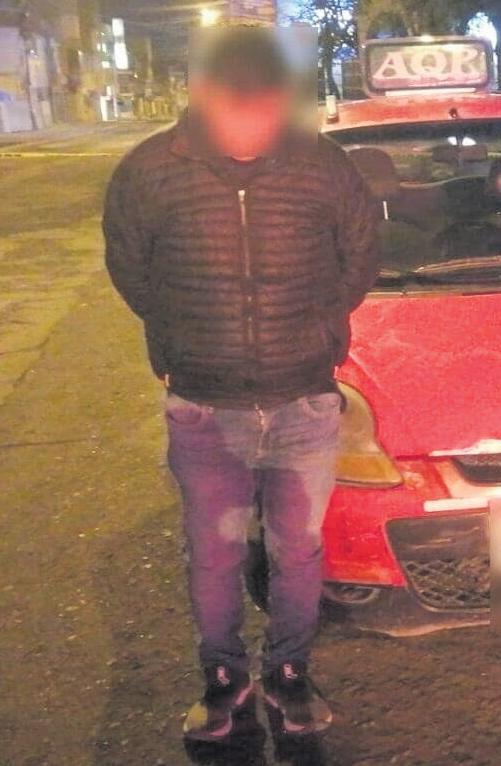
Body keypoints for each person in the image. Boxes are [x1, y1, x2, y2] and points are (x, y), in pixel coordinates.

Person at [102, 25, 379, 740]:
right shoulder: (149, 171)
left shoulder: (324, 166)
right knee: (214, 554)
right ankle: (223, 678)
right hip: (204, 406)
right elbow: (131, 270)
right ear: (201, 94)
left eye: (266, 108)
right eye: (237, 108)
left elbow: (359, 257)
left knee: (298, 550)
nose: (253, 125)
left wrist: (315, 325)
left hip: (303, 400)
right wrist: (185, 336)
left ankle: (289, 671)